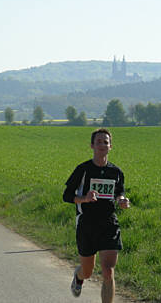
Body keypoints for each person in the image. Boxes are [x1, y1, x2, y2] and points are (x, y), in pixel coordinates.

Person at [63, 128, 130, 302]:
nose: (102, 145)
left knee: (108, 272)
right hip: (87, 224)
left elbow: (119, 192)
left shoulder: (116, 172)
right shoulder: (83, 170)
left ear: (110, 146)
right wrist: (84, 199)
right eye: (98, 142)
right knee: (88, 271)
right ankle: (79, 277)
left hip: (109, 223)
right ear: (92, 146)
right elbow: (67, 196)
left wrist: (122, 200)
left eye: (105, 142)